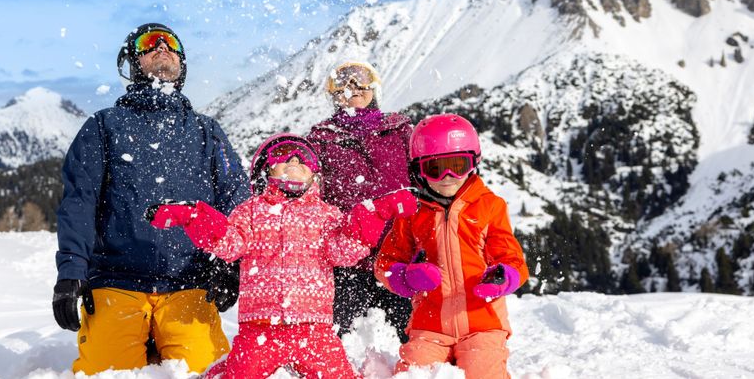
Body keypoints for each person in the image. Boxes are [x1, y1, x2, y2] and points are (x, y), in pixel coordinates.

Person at [51, 22, 251, 375]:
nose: (162, 47)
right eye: (149, 42)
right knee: (108, 373)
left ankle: (158, 340)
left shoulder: (206, 131)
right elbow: (79, 202)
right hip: (117, 279)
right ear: (133, 62)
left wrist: (230, 264)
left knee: (205, 371)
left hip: (189, 281)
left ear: (182, 62)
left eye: (171, 43)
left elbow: (236, 201)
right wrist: (71, 272)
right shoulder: (104, 126)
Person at [149, 134, 417, 379]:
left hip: (315, 331)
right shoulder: (250, 212)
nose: (295, 160)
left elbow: (345, 252)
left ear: (315, 174)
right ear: (266, 168)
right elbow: (229, 244)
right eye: (284, 154)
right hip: (259, 329)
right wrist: (194, 217)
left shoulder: (327, 215)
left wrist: (376, 213)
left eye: (304, 158)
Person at [374, 114, 529, 378]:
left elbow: (512, 259)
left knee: (483, 373)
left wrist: (503, 278)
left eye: (457, 166)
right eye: (435, 168)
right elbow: (385, 263)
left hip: (483, 324)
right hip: (429, 327)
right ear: (419, 170)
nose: (447, 177)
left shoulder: (490, 206)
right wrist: (405, 278)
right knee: (412, 373)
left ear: (473, 162)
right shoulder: (411, 213)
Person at [306, 61, 414, 339]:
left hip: (400, 254)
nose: (352, 87)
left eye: (360, 79)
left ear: (375, 86)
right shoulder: (320, 140)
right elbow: (310, 197)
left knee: (412, 339)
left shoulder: (399, 131)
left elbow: (424, 181)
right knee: (340, 341)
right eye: (342, 81)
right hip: (347, 262)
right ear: (332, 92)